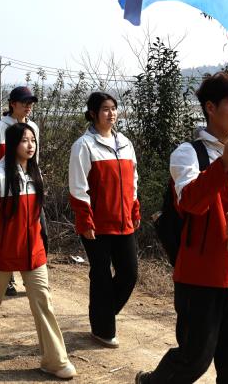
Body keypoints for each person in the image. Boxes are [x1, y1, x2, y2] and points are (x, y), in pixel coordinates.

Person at [135, 72, 228, 384]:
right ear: (211, 108)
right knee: (194, 358)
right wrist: (223, 165)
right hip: (200, 275)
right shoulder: (189, 153)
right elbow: (191, 202)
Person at [0, 122, 76, 380]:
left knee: (43, 301)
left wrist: (42, 244)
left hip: (33, 251)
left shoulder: (35, 175)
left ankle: (55, 360)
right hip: (4, 250)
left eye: (33, 141)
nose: (30, 145)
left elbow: (37, 217)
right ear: (13, 144)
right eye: (25, 140)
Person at [69, 92, 140, 348]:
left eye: (114, 108)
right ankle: (103, 329)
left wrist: (134, 208)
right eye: (105, 109)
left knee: (129, 274)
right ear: (93, 114)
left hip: (123, 221)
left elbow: (133, 179)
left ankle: (102, 316)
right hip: (97, 224)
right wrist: (85, 220)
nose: (111, 113)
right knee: (100, 275)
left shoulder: (125, 143)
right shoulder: (84, 145)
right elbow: (78, 187)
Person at [0, 85, 43, 296]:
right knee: (7, 236)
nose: (28, 106)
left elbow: (35, 161)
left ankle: (32, 275)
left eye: (31, 103)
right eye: (24, 102)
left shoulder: (33, 127)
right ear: (12, 104)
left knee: (40, 232)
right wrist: (3, 180)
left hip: (30, 189)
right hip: (6, 191)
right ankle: (7, 278)